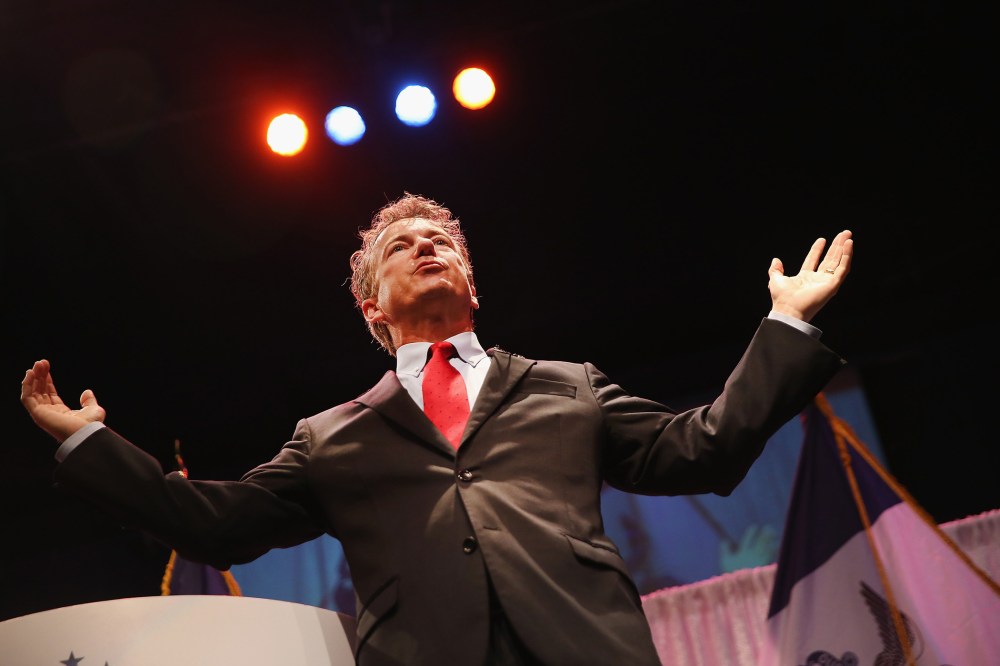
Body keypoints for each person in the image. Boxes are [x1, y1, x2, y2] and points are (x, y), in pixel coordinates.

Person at [20, 192, 854, 665]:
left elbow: (703, 449)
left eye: (442, 241)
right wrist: (87, 442)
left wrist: (784, 328)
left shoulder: (568, 387)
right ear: (371, 306)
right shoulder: (331, 435)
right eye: (403, 246)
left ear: (471, 286)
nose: (428, 247)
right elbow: (215, 523)